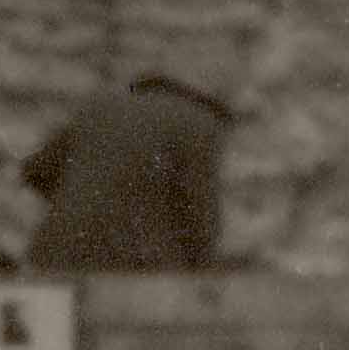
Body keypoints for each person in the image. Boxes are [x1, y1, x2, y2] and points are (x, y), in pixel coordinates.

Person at [22, 77, 229, 276]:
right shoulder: (200, 122)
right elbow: (200, 214)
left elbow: (34, 172)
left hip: (56, 257)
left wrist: (87, 205)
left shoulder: (98, 109)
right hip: (139, 268)